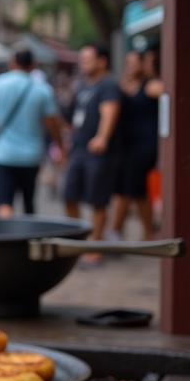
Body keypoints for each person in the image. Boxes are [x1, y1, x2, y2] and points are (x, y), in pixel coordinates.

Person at [0, 49, 62, 217]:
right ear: (33, 65)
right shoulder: (43, 90)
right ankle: (28, 239)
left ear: (12, 63)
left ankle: (5, 239)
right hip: (31, 156)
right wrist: (60, 146)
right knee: (29, 201)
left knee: (3, 203)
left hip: (3, 154)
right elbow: (53, 124)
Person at [64, 44, 122, 260]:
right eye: (82, 59)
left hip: (98, 152)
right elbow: (71, 117)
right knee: (69, 195)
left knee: (98, 200)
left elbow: (109, 112)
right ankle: (79, 242)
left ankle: (95, 246)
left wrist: (102, 137)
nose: (83, 63)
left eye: (87, 59)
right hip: (78, 149)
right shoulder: (80, 86)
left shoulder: (108, 85)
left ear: (102, 61)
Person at [111, 47, 163, 240]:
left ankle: (119, 232)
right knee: (132, 189)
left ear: (144, 63)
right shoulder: (122, 86)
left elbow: (172, 94)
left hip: (144, 146)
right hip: (126, 146)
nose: (130, 67)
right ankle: (143, 233)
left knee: (132, 189)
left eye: (134, 63)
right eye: (128, 63)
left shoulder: (151, 86)